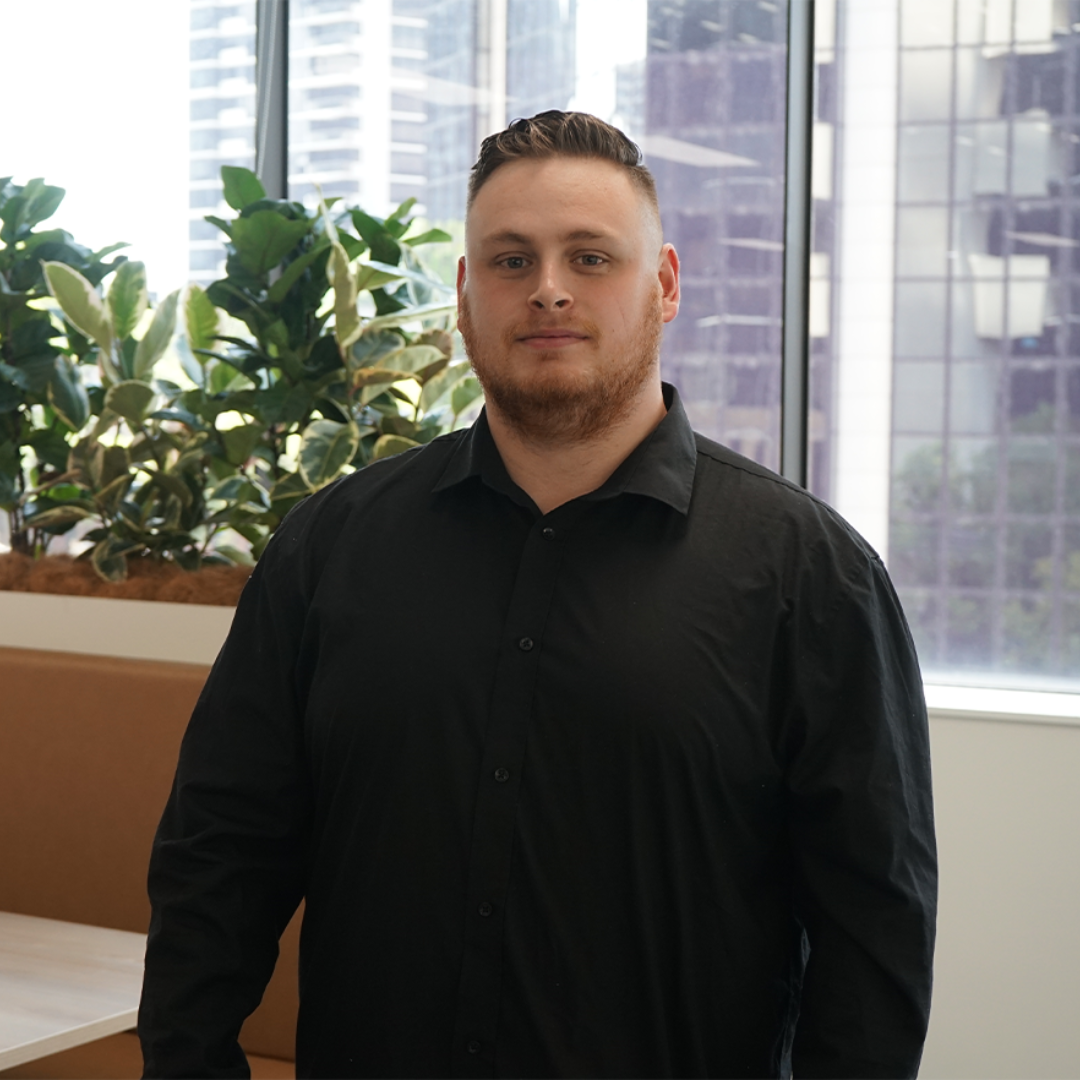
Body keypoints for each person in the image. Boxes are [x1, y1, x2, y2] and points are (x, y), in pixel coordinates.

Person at [139, 111, 936, 1079]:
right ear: (467, 296)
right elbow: (219, 858)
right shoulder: (330, 547)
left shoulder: (812, 577)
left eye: (590, 258)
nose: (549, 289)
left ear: (666, 284)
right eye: (511, 261)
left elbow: (873, 935)